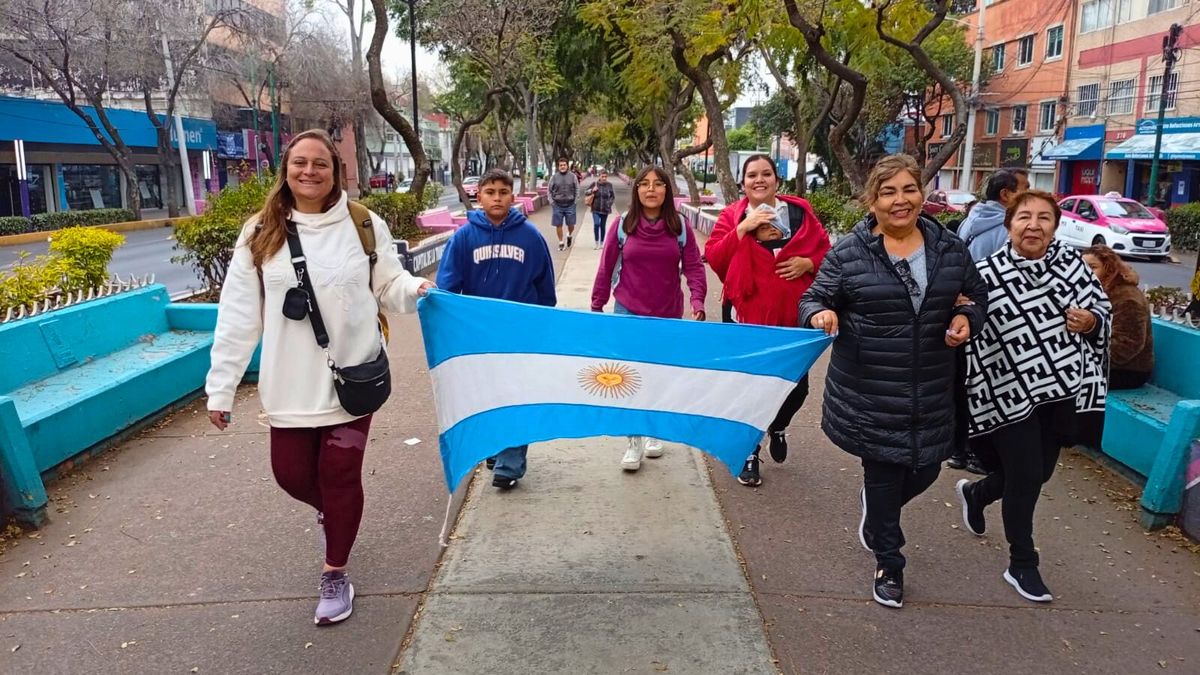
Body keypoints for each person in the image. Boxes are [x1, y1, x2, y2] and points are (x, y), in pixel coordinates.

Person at [205, 129, 434, 626]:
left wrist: (416, 288)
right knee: (291, 476)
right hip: (288, 383)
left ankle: (335, 571)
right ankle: (335, 514)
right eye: (299, 163)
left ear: (336, 171)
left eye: (320, 164)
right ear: (285, 170)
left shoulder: (362, 223)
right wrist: (220, 388)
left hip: (353, 377)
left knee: (340, 475)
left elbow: (388, 282)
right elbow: (238, 316)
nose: (309, 172)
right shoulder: (259, 232)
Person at [799, 154, 988, 609]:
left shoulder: (949, 249)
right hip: (871, 389)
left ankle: (877, 513)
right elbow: (814, 296)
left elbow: (976, 295)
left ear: (922, 194)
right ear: (872, 200)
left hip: (931, 387)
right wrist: (820, 313)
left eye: (909, 189)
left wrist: (966, 316)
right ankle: (889, 561)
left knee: (926, 467)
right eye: (888, 192)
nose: (900, 200)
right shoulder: (850, 252)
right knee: (884, 471)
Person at [956, 190, 1111, 604]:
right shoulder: (984, 273)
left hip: (1061, 389)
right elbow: (965, 322)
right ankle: (1022, 562)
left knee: (1038, 474)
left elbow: (1103, 312)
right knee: (1026, 476)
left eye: (1044, 217)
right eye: (1025, 216)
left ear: (1055, 227)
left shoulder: (1075, 269)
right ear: (1009, 225)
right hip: (1004, 390)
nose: (1034, 225)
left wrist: (1092, 321)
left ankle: (978, 493)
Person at [705, 154, 831, 487]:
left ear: (777, 179)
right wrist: (743, 229)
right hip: (746, 314)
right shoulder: (733, 215)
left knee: (798, 386)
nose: (759, 180)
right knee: (750, 385)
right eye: (751, 176)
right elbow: (715, 257)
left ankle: (777, 425)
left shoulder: (800, 212)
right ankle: (749, 450)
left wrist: (808, 263)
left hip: (794, 315)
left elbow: (826, 252)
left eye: (766, 174)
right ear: (742, 182)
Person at [436, 169, 557, 489]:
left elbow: (545, 286)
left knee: (516, 394)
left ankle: (510, 462)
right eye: (490, 192)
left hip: (521, 333)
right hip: (479, 337)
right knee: (486, 395)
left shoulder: (530, 237)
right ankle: (495, 445)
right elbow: (447, 286)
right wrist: (448, 320)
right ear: (479, 196)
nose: (497, 198)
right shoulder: (464, 238)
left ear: (513, 196)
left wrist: (544, 323)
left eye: (503, 192)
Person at [591, 165, 707, 471]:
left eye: (658, 184)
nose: (651, 189)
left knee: (659, 376)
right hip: (628, 311)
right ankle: (634, 439)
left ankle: (655, 430)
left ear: (667, 190)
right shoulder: (622, 225)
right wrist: (597, 305)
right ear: (637, 190)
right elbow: (606, 268)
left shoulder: (679, 227)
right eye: (644, 184)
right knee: (630, 377)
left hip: (667, 314)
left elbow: (694, 266)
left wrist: (697, 300)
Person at [945, 168, 1030, 476]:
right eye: (1025, 188)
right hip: (990, 317)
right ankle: (978, 452)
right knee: (985, 384)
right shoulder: (1004, 228)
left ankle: (958, 449)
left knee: (962, 382)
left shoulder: (973, 219)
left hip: (962, 311)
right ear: (1006, 195)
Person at [1077, 245, 1152, 447]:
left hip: (1130, 370)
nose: (1085, 272)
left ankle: (1081, 437)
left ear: (1109, 268)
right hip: (1103, 361)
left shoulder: (1127, 297)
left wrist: (1085, 359)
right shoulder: (1093, 291)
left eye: (1092, 267)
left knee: (1070, 378)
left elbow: (1128, 346)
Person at [549, 157, 579, 250]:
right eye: (560, 165)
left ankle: (569, 235)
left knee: (571, 225)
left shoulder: (573, 176)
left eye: (564, 165)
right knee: (558, 225)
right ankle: (561, 242)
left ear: (567, 166)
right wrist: (552, 202)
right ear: (558, 166)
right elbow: (549, 190)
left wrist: (575, 201)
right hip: (557, 205)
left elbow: (577, 188)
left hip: (570, 205)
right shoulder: (554, 177)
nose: (562, 167)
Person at [586, 170, 616, 250]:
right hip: (595, 208)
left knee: (602, 226)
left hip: (605, 209)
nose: (604, 178)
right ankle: (596, 243)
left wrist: (609, 204)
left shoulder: (609, 185)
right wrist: (592, 190)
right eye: (602, 176)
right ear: (599, 176)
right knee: (596, 224)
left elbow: (612, 196)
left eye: (605, 177)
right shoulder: (594, 184)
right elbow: (586, 192)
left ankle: (602, 243)